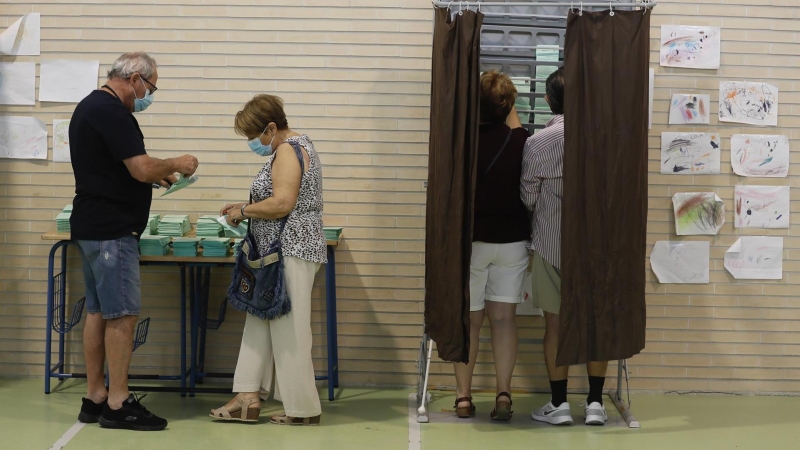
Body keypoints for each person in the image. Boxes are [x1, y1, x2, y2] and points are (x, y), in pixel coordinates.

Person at [71, 52, 199, 431]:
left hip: (91, 226)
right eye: (151, 87)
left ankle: (95, 396)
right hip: (113, 231)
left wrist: (150, 177)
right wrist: (177, 162)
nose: (149, 95)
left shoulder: (90, 106)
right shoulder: (113, 112)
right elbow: (140, 165)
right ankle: (118, 402)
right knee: (122, 315)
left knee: (97, 312)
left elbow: (120, 169)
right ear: (135, 79)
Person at [210, 94, 326, 426]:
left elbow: (282, 203)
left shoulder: (288, 150)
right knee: (259, 321)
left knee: (291, 332)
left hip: (290, 250)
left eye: (255, 136)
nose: (254, 143)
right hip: (280, 251)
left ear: (272, 127)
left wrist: (243, 211)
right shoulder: (296, 146)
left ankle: (303, 410)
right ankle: (247, 397)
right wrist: (242, 207)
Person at [522, 67, 609, 427]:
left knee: (555, 325)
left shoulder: (538, 142)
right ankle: (594, 403)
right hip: (597, 245)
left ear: (547, 101)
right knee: (595, 324)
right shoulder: (604, 138)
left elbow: (528, 197)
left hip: (550, 242)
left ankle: (558, 404)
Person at [452, 70, 530, 421]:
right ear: (509, 105)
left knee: (470, 321)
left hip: (472, 242)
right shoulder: (520, 140)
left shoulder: (461, 143)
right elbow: (511, 124)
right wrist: (504, 101)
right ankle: (503, 394)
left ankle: (464, 398)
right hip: (512, 240)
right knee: (504, 320)